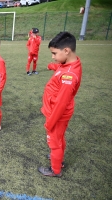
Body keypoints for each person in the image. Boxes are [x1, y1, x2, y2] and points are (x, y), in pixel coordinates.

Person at [38, 32, 82, 177]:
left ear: (66, 51)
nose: (53, 57)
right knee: (59, 138)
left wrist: (50, 123)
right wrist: (53, 66)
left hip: (56, 114)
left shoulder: (69, 76)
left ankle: (55, 170)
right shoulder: (70, 64)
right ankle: (58, 158)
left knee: (54, 142)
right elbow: (61, 68)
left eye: (54, 53)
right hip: (56, 112)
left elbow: (61, 104)